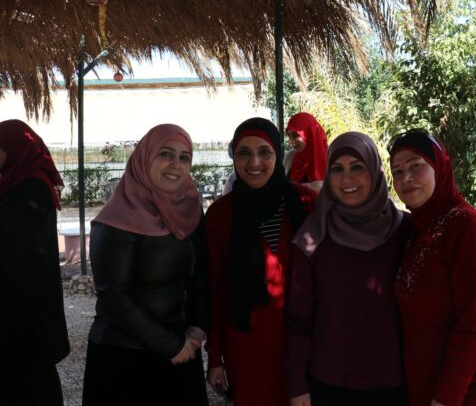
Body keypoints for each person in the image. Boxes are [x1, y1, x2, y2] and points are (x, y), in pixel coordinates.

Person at [387, 129, 476, 406]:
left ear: (439, 167)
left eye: (416, 166)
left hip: (469, 389)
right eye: (397, 171)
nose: (406, 178)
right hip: (428, 384)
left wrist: (445, 399)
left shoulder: (466, 228)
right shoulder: (417, 228)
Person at [81, 124, 209, 406]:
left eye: (184, 157)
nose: (176, 164)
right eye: (166, 154)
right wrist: (172, 345)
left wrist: (198, 327)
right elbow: (114, 298)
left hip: (181, 349)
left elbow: (200, 273)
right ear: (145, 157)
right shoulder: (115, 220)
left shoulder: (189, 209)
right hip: (124, 357)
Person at [288, 132, 410, 406]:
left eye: (357, 167)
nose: (346, 179)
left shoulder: (406, 232)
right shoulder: (312, 237)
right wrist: (297, 385)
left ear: (375, 171)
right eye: (337, 169)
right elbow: (298, 320)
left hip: (392, 385)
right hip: (328, 384)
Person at [205, 118, 316, 405]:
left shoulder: (306, 203)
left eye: (264, 152)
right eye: (244, 152)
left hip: (303, 344)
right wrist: (214, 357)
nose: (254, 162)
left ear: (277, 154)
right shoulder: (220, 215)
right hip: (246, 344)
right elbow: (214, 289)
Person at [0, 119, 70, 406]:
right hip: (20, 301)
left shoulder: (30, 186)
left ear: (14, 148)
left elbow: (11, 244)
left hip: (25, 306)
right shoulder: (17, 180)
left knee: (29, 379)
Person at [285, 112, 328, 192]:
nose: (291, 141)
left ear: (310, 133)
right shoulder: (290, 157)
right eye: (289, 136)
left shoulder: (332, 157)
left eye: (295, 135)